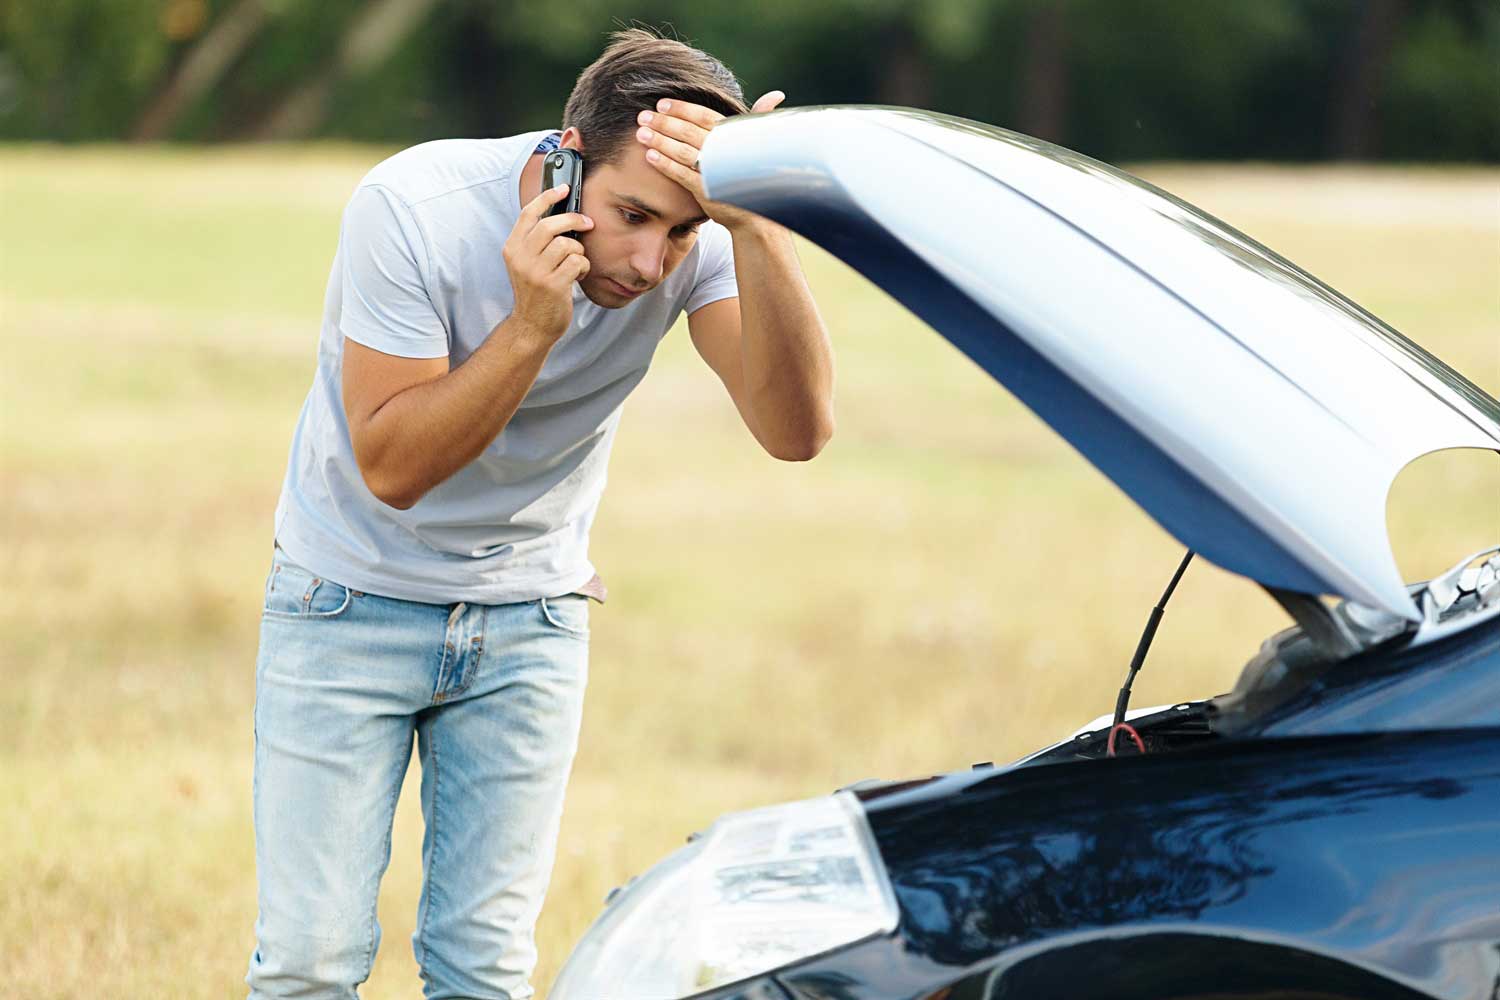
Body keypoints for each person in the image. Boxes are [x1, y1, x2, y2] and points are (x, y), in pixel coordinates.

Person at [245, 26, 834, 1000]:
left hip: (531, 614)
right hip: (349, 598)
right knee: (310, 964)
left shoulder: (694, 241)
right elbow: (392, 465)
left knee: (485, 971)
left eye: (683, 231)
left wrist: (759, 226)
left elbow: (797, 430)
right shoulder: (412, 209)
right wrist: (530, 328)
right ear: (565, 159)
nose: (652, 263)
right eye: (632, 216)